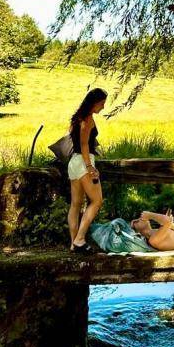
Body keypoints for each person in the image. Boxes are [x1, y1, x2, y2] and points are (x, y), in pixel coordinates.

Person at [67, 87, 107, 253]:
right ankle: (80, 239)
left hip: (73, 163)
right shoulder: (87, 119)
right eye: (102, 103)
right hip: (84, 163)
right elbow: (84, 144)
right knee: (97, 201)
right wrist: (90, 167)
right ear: (94, 103)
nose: (103, 107)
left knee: (75, 205)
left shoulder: (76, 118)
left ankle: (73, 243)